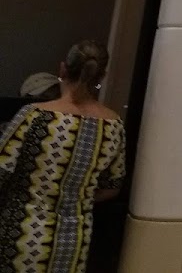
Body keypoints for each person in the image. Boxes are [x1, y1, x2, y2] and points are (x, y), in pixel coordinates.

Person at [0, 41, 126, 273]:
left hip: (22, 234)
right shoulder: (113, 125)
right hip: (73, 242)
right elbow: (111, 188)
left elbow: (2, 171)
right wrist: (74, 197)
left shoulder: (34, 116)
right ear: (102, 75)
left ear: (62, 69)